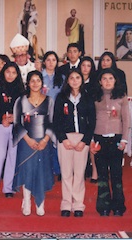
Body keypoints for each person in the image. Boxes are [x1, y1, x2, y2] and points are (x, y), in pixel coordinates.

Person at [53, 69, 96, 217]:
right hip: (65, 139)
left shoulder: (88, 98)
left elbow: (92, 122)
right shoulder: (61, 97)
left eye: (78, 77)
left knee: (79, 173)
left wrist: (85, 141)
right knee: (66, 173)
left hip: (81, 140)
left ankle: (78, 205)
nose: (75, 80)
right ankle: (66, 204)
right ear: (68, 80)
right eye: (72, 78)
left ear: (82, 80)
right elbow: (56, 121)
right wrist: (62, 139)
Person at [12, 70, 55, 216]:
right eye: (32, 81)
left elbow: (52, 123)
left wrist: (44, 140)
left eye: (38, 80)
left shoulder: (49, 101)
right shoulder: (21, 101)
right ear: (28, 83)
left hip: (44, 141)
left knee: (41, 170)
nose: (35, 83)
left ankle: (40, 202)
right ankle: (27, 201)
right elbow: (17, 123)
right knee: (27, 170)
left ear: (42, 83)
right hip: (26, 141)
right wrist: (28, 139)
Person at [91, 68, 130, 217]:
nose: (107, 81)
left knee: (116, 174)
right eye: (104, 79)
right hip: (99, 139)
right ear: (100, 81)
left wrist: (125, 139)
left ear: (115, 80)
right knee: (102, 174)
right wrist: (93, 140)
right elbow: (91, 119)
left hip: (116, 140)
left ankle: (119, 206)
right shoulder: (95, 96)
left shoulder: (122, 96)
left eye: (110, 78)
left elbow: (126, 120)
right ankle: (104, 206)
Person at [0, 62, 25, 198]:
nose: (10, 75)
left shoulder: (21, 90)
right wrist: (1, 118)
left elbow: (25, 109)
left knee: (12, 156)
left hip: (17, 126)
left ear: (17, 74)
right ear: (3, 72)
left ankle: (8, 188)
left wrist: (15, 118)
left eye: (14, 72)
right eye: (8, 72)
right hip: (0, 125)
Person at [41, 51, 65, 180]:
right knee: (44, 141)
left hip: (57, 115)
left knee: (57, 142)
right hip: (42, 114)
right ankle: (45, 171)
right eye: (48, 60)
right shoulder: (39, 76)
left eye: (53, 60)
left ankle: (58, 169)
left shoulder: (61, 78)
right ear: (44, 62)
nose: (51, 63)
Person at [80, 56, 98, 183]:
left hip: (91, 114)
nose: (85, 68)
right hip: (78, 115)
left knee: (91, 143)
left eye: (88, 66)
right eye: (83, 65)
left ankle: (95, 172)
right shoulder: (75, 80)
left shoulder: (95, 83)